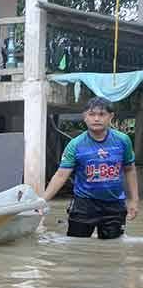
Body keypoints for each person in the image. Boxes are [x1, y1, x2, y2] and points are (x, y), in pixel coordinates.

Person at [41, 97, 138, 239]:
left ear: (110, 117)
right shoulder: (75, 144)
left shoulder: (123, 140)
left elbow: (129, 169)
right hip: (84, 204)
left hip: (114, 205)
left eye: (102, 114)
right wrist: (42, 201)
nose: (96, 119)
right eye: (92, 114)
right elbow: (61, 175)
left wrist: (134, 201)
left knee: (112, 248)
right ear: (85, 117)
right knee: (77, 246)